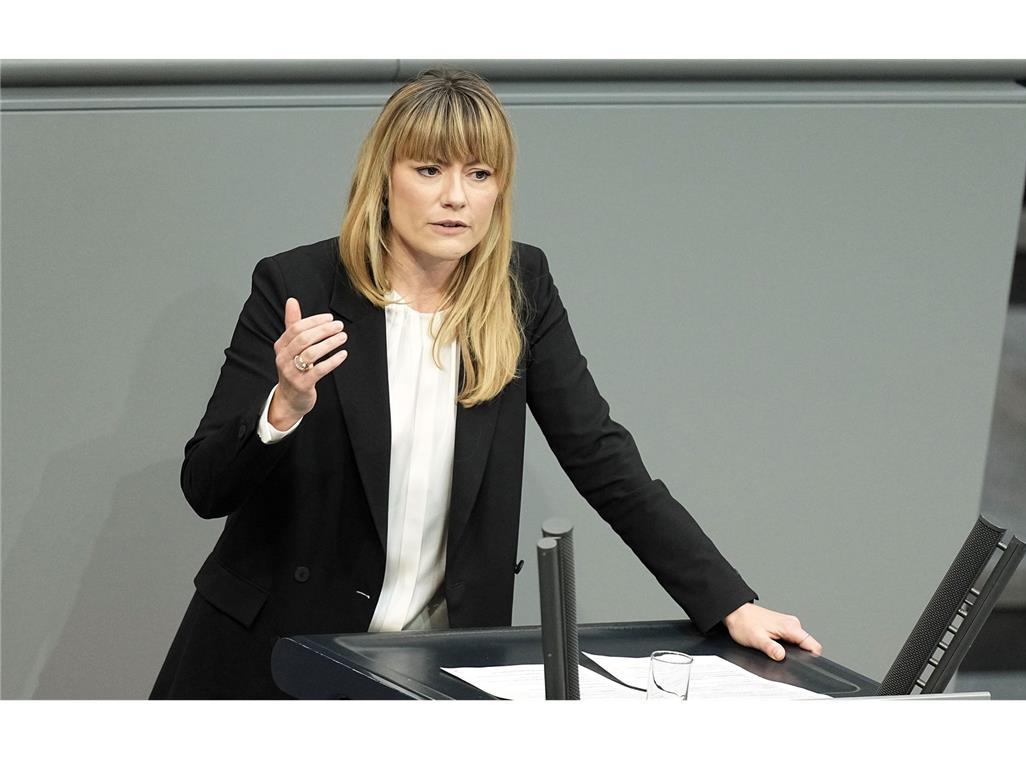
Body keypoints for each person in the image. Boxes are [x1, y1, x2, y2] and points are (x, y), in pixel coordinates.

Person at [151, 68, 821, 699]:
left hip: (435, 666)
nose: (456, 197)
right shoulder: (296, 284)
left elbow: (603, 458)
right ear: (384, 178)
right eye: (429, 170)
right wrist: (284, 407)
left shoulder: (521, 288)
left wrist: (729, 602)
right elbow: (205, 487)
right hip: (274, 654)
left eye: (479, 173)